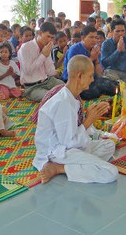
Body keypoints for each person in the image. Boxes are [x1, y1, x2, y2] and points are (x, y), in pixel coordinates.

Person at [33, 55, 118, 184]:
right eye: (90, 76)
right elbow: (69, 143)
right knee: (110, 172)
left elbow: (76, 132)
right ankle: (59, 168)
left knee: (109, 145)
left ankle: (81, 164)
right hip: (57, 151)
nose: (92, 79)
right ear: (79, 76)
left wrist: (89, 118)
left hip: (69, 145)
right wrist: (89, 120)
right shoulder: (63, 102)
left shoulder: (72, 97)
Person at [18, 22, 63, 101]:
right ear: (40, 33)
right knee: (50, 97)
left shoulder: (47, 46)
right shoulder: (25, 48)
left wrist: (58, 72)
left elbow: (49, 71)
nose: (50, 40)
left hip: (47, 81)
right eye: (48, 36)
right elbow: (28, 71)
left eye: (52, 38)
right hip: (32, 87)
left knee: (66, 89)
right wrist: (43, 55)